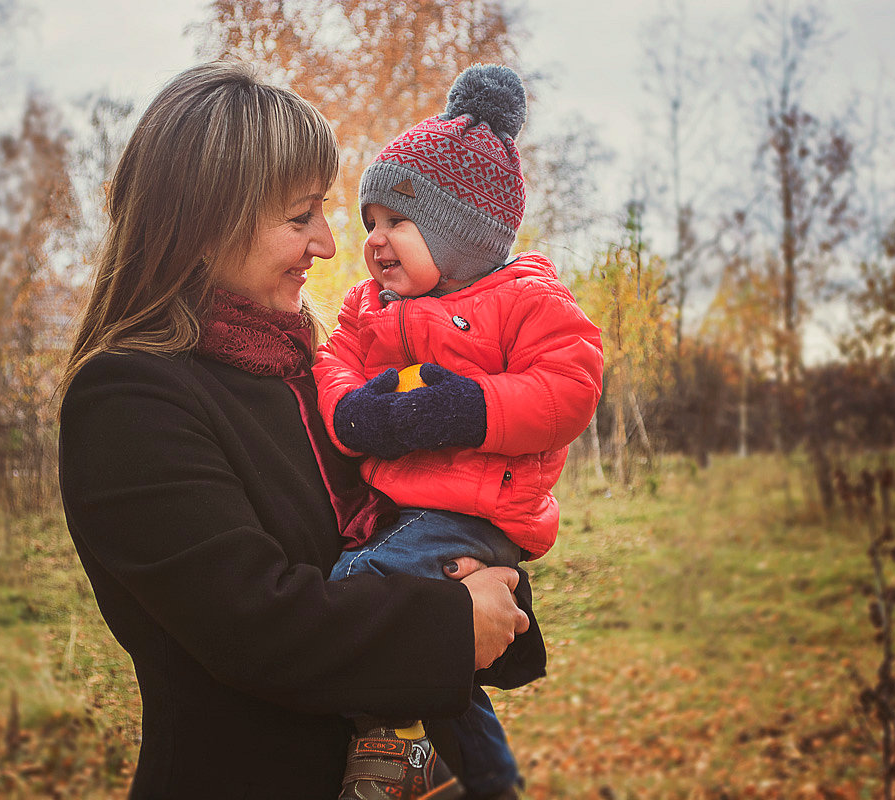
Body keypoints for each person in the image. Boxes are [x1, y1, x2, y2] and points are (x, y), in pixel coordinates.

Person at [57, 61, 540, 800]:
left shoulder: (311, 375)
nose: (324, 242)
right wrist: (450, 625)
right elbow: (255, 625)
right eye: (299, 216)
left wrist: (494, 594)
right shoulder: (128, 398)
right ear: (206, 221)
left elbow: (418, 524)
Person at [314, 65, 604, 800]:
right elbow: (335, 357)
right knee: (445, 659)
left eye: (399, 222)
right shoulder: (370, 306)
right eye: (370, 222)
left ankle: (397, 743)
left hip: (476, 515)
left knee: (356, 593)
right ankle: (486, 779)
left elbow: (570, 389)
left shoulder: (524, 298)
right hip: (409, 512)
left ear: (465, 235)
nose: (376, 241)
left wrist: (469, 407)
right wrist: (352, 411)